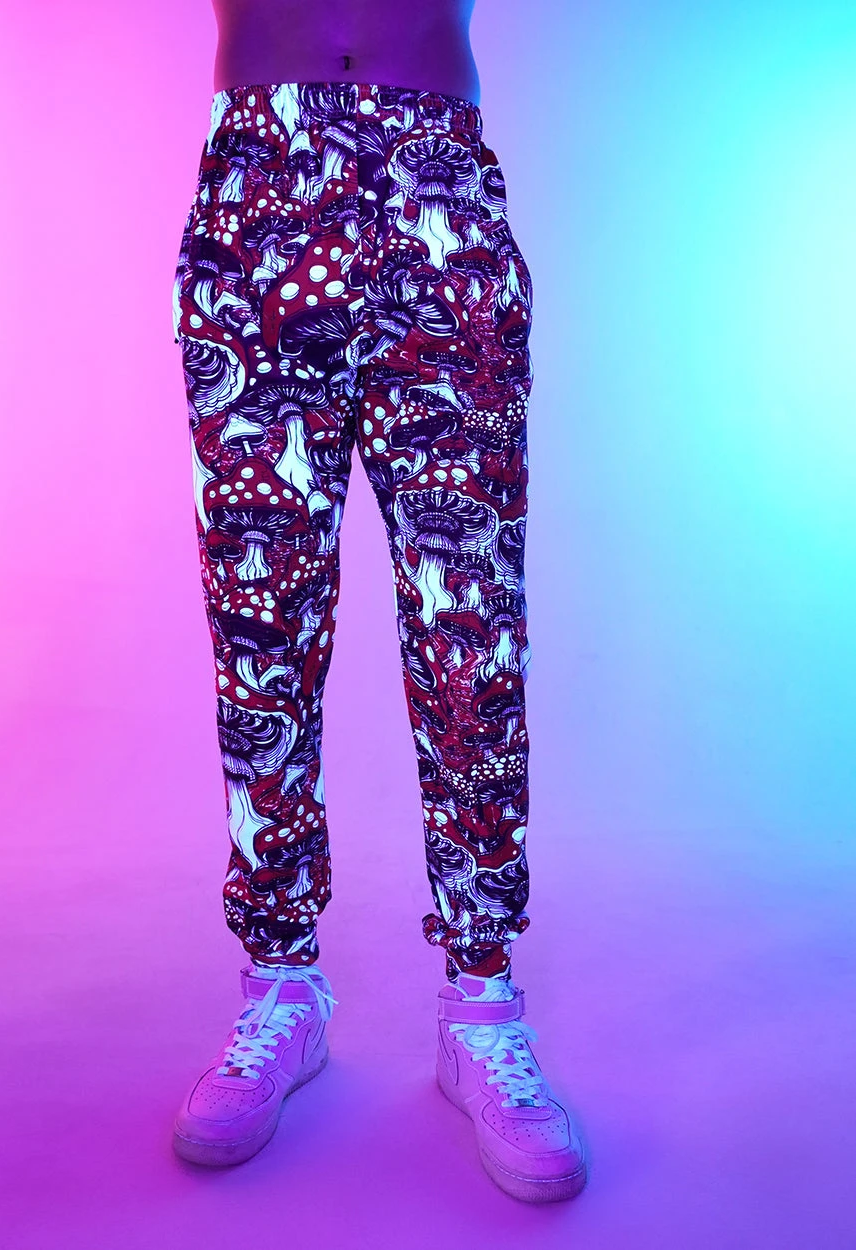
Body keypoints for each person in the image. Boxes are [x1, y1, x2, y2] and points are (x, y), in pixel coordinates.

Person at [169, 0, 588, 1203]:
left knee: (470, 633)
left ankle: (481, 1004)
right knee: (261, 617)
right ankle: (280, 984)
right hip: (260, 187)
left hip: (433, 188)